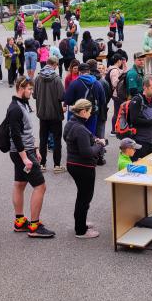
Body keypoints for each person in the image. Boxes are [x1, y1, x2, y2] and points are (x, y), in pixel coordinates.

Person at [6, 78, 55, 238]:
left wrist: (35, 149)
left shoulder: (23, 104)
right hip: (22, 153)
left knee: (20, 184)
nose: (31, 92)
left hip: (26, 151)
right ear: (21, 88)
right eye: (29, 89)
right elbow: (15, 135)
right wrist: (25, 158)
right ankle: (34, 226)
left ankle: (20, 222)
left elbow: (26, 131)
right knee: (40, 186)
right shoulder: (15, 108)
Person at [63, 99, 106, 239]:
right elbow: (87, 152)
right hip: (83, 166)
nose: (90, 114)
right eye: (89, 111)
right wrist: (100, 145)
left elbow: (68, 139)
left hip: (73, 164)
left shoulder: (70, 123)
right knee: (85, 198)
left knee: (82, 196)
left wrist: (92, 141)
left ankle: (81, 222)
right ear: (83, 111)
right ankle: (81, 230)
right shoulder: (80, 129)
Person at [34, 56, 65, 173]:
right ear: (55, 64)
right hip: (55, 114)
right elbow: (61, 96)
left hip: (42, 113)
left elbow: (34, 95)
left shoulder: (38, 78)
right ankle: (57, 165)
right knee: (57, 140)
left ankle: (42, 164)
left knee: (43, 139)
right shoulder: (56, 79)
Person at [62, 62, 105, 137]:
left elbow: (68, 100)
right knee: (90, 134)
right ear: (89, 71)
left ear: (79, 72)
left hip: (78, 114)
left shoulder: (74, 83)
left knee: (77, 134)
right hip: (92, 113)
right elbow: (103, 100)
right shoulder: (97, 83)